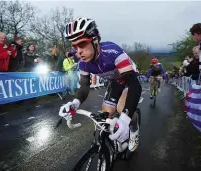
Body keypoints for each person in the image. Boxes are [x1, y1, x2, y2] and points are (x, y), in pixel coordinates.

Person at [58, 17, 142, 151]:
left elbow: (135, 86)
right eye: (75, 46)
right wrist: (74, 103)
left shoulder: (113, 53)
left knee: (122, 109)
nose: (78, 51)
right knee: (105, 116)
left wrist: (125, 119)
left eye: (83, 44)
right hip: (115, 81)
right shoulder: (83, 61)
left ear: (95, 40)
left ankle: (133, 126)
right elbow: (84, 86)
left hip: (128, 78)